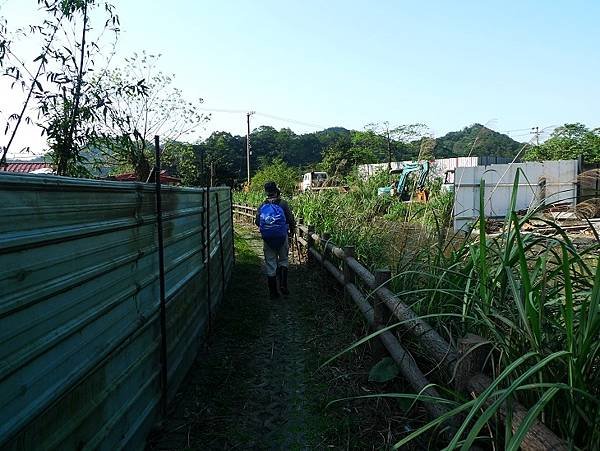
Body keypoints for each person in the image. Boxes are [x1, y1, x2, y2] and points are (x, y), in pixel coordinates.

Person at [255, 181, 296, 299]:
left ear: (266, 192)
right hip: (282, 236)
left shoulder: (262, 205)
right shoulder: (283, 203)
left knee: (271, 263)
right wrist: (292, 230)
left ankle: (273, 292)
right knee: (283, 260)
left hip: (268, 239)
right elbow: (290, 219)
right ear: (276, 191)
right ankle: (283, 285)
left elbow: (257, 222)